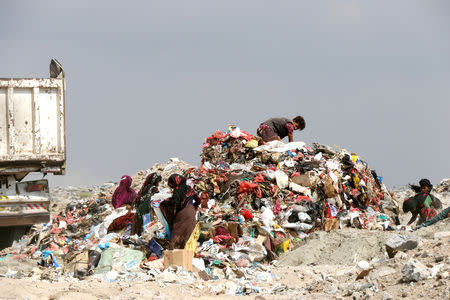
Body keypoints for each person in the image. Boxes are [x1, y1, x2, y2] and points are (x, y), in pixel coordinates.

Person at [159, 174, 200, 249]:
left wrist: (166, 203)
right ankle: (187, 250)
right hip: (191, 211)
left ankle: (175, 251)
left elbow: (176, 203)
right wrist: (193, 206)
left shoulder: (177, 190)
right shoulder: (190, 188)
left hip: (183, 213)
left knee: (177, 233)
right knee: (188, 231)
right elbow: (198, 200)